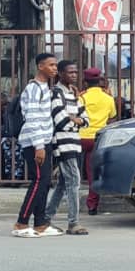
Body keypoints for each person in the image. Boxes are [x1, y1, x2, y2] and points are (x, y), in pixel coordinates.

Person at [12, 53, 64, 238]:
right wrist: (39, 146)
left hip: (44, 141)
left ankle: (40, 223)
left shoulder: (46, 88)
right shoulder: (33, 89)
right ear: (40, 66)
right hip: (35, 142)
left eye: (56, 66)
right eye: (51, 65)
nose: (54, 69)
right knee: (38, 182)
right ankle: (21, 222)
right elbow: (32, 118)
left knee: (44, 182)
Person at [44, 60, 90, 235]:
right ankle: (73, 222)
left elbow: (86, 120)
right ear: (60, 74)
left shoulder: (73, 95)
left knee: (64, 184)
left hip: (74, 143)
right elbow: (61, 121)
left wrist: (75, 119)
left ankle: (47, 217)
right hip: (63, 144)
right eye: (70, 72)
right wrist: (75, 120)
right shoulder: (56, 93)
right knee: (74, 181)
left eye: (75, 72)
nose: (74, 75)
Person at [79, 68, 117, 216]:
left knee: (71, 171)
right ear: (100, 80)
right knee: (92, 174)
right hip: (98, 138)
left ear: (85, 81)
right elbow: (112, 118)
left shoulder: (81, 97)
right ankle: (92, 205)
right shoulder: (108, 98)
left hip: (80, 137)